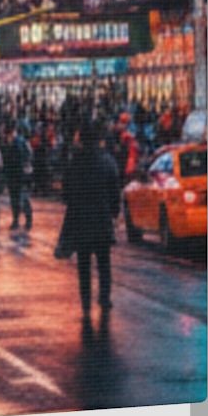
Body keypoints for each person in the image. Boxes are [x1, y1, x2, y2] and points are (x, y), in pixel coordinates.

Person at [59, 131, 123, 329]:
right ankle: (104, 296)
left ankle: (86, 299)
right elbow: (115, 190)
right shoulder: (108, 161)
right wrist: (114, 210)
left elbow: (66, 193)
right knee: (104, 261)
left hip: (81, 219)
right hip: (102, 218)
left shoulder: (75, 163)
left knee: (84, 264)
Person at [3, 126, 34, 235]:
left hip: (16, 176)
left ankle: (18, 220)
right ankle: (25, 220)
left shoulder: (16, 144)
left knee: (18, 198)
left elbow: (14, 160)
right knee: (21, 198)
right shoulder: (23, 142)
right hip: (21, 176)